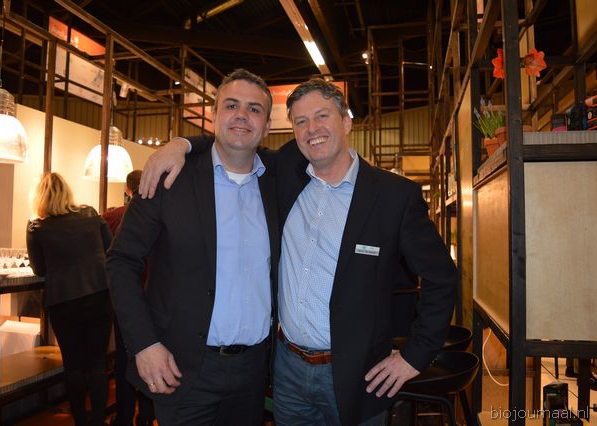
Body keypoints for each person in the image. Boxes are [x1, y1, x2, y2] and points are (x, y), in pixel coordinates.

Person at [140, 78, 457, 425]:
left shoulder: (394, 196)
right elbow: (235, 141)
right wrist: (181, 144)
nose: (312, 129)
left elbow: (442, 278)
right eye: (301, 121)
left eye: (322, 116)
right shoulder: (286, 173)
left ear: (346, 122)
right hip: (287, 371)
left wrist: (414, 356)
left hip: (357, 376)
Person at [106, 69, 280, 425]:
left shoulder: (277, 181)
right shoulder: (169, 178)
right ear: (213, 115)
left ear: (266, 126)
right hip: (182, 370)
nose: (242, 116)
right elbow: (121, 261)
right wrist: (144, 343)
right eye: (231, 105)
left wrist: (184, 142)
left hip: (253, 374)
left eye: (254, 109)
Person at [26, 172, 113, 426]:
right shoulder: (90, 214)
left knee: (73, 365)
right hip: (99, 295)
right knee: (97, 363)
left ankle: (80, 421)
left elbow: (39, 269)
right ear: (67, 192)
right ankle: (98, 420)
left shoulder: (37, 227)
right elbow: (111, 249)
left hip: (64, 301)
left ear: (40, 198)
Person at [102, 170, 155, 426]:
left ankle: (123, 417)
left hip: (124, 299)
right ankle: (145, 416)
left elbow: (110, 259)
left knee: (124, 360)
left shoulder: (111, 217)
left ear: (127, 188)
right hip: (151, 296)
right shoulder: (155, 214)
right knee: (150, 356)